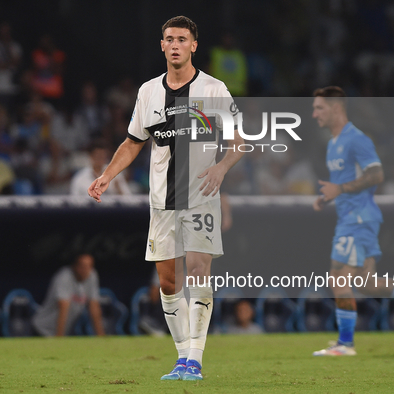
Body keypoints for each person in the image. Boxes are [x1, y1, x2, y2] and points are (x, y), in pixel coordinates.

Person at [88, 16, 243, 381]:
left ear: (193, 46)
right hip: (162, 202)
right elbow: (132, 142)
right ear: (162, 45)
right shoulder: (148, 92)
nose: (175, 44)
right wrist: (108, 175)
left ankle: (195, 358)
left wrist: (221, 168)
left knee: (199, 270)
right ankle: (181, 358)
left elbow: (239, 141)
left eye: (182, 39)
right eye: (169, 39)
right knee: (169, 283)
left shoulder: (215, 89)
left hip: (201, 196)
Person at [311, 86, 394, 356]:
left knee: (338, 278)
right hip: (353, 218)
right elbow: (343, 183)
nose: (314, 114)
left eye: (319, 108)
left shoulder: (356, 139)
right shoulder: (333, 144)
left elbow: (376, 174)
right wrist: (328, 197)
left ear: (336, 108)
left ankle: (346, 344)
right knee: (365, 283)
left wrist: (340, 190)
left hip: (357, 219)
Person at [32, 254, 105, 337]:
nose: (85, 270)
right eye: (82, 266)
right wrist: (59, 338)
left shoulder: (92, 275)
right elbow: (63, 308)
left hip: (60, 332)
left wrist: (101, 337)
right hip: (42, 329)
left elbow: (94, 307)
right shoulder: (64, 276)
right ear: (74, 266)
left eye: (89, 266)